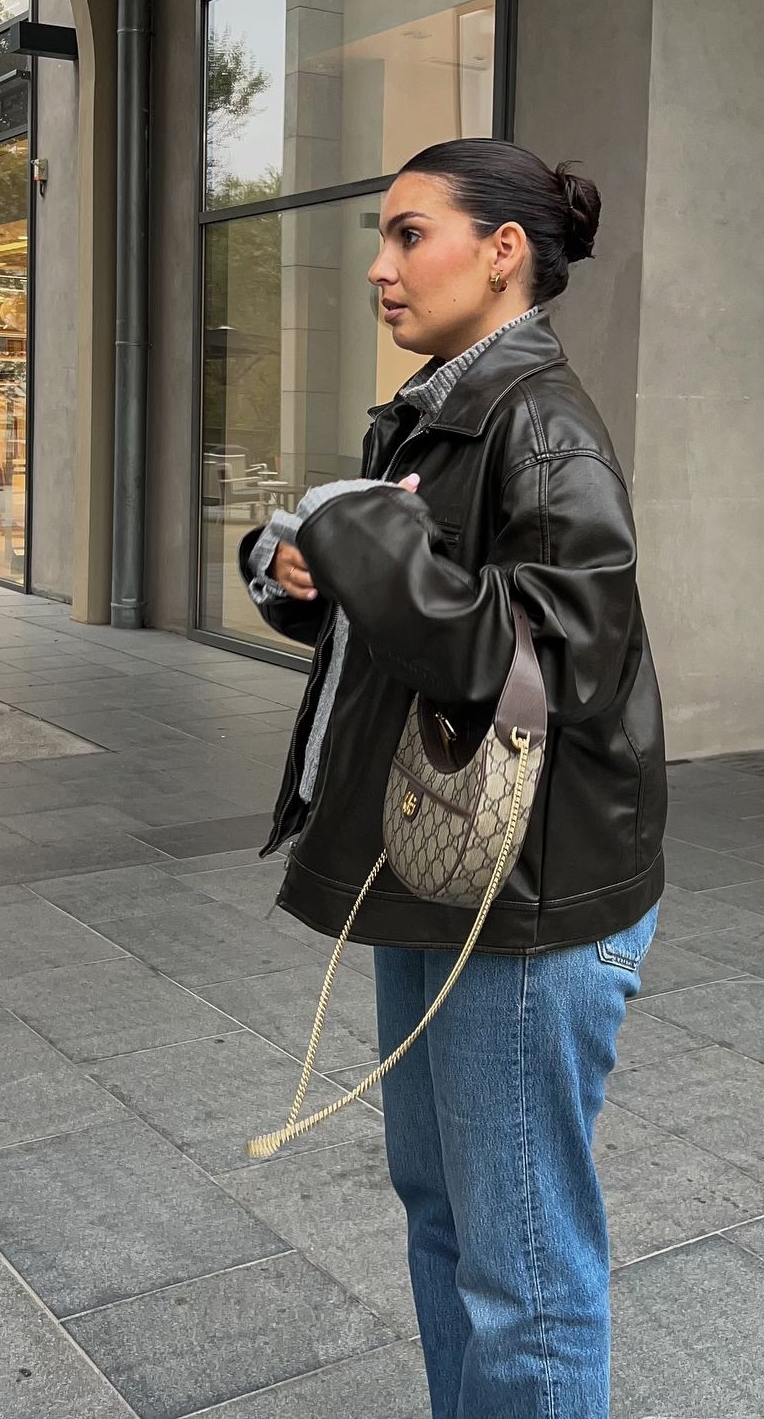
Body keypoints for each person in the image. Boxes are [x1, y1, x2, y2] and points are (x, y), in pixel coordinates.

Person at [239, 137, 666, 1419]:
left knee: (522, 1267)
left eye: (408, 233)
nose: (380, 265)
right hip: (442, 860)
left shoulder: (543, 427)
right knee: (444, 1215)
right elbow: (421, 621)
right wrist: (298, 571)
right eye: (382, 235)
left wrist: (355, 528)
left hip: (529, 894)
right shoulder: (442, 402)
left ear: (502, 250)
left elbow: (559, 663)